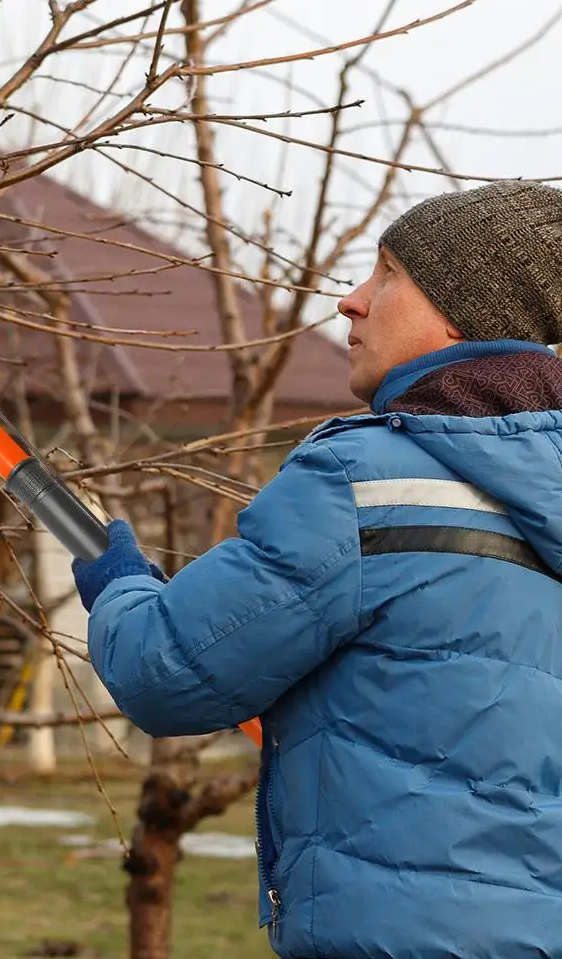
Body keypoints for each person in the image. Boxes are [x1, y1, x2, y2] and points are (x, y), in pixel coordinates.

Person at [71, 180, 562, 959]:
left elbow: (164, 670)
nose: (352, 301)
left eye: (388, 273)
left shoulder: (365, 482)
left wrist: (118, 581)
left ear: (461, 310)